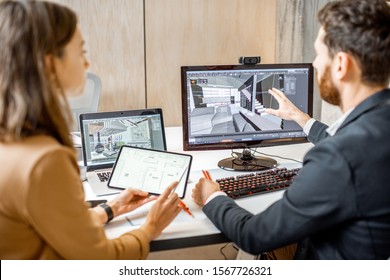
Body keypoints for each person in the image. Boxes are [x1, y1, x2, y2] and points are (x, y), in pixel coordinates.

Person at [192, 0, 390, 259]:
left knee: (249, 252)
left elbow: (254, 235)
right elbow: (355, 144)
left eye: (319, 53)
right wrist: (302, 119)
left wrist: (213, 197)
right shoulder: (379, 122)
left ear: (341, 64)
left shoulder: (337, 158)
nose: (315, 64)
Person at [0, 0, 182, 259]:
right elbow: (98, 259)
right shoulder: (46, 160)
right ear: (50, 64)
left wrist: (110, 209)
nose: (86, 64)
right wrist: (150, 228)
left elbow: (44, 223)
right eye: (81, 52)